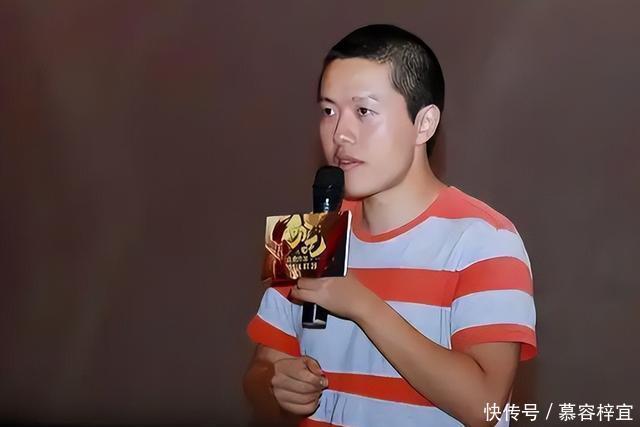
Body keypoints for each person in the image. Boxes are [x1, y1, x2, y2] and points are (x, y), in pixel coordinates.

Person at [243, 23, 537, 427]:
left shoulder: (486, 239)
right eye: (329, 111)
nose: (340, 133)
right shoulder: (305, 234)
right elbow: (259, 376)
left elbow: (484, 405)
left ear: (424, 124)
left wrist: (364, 306)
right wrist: (277, 384)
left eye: (363, 111)